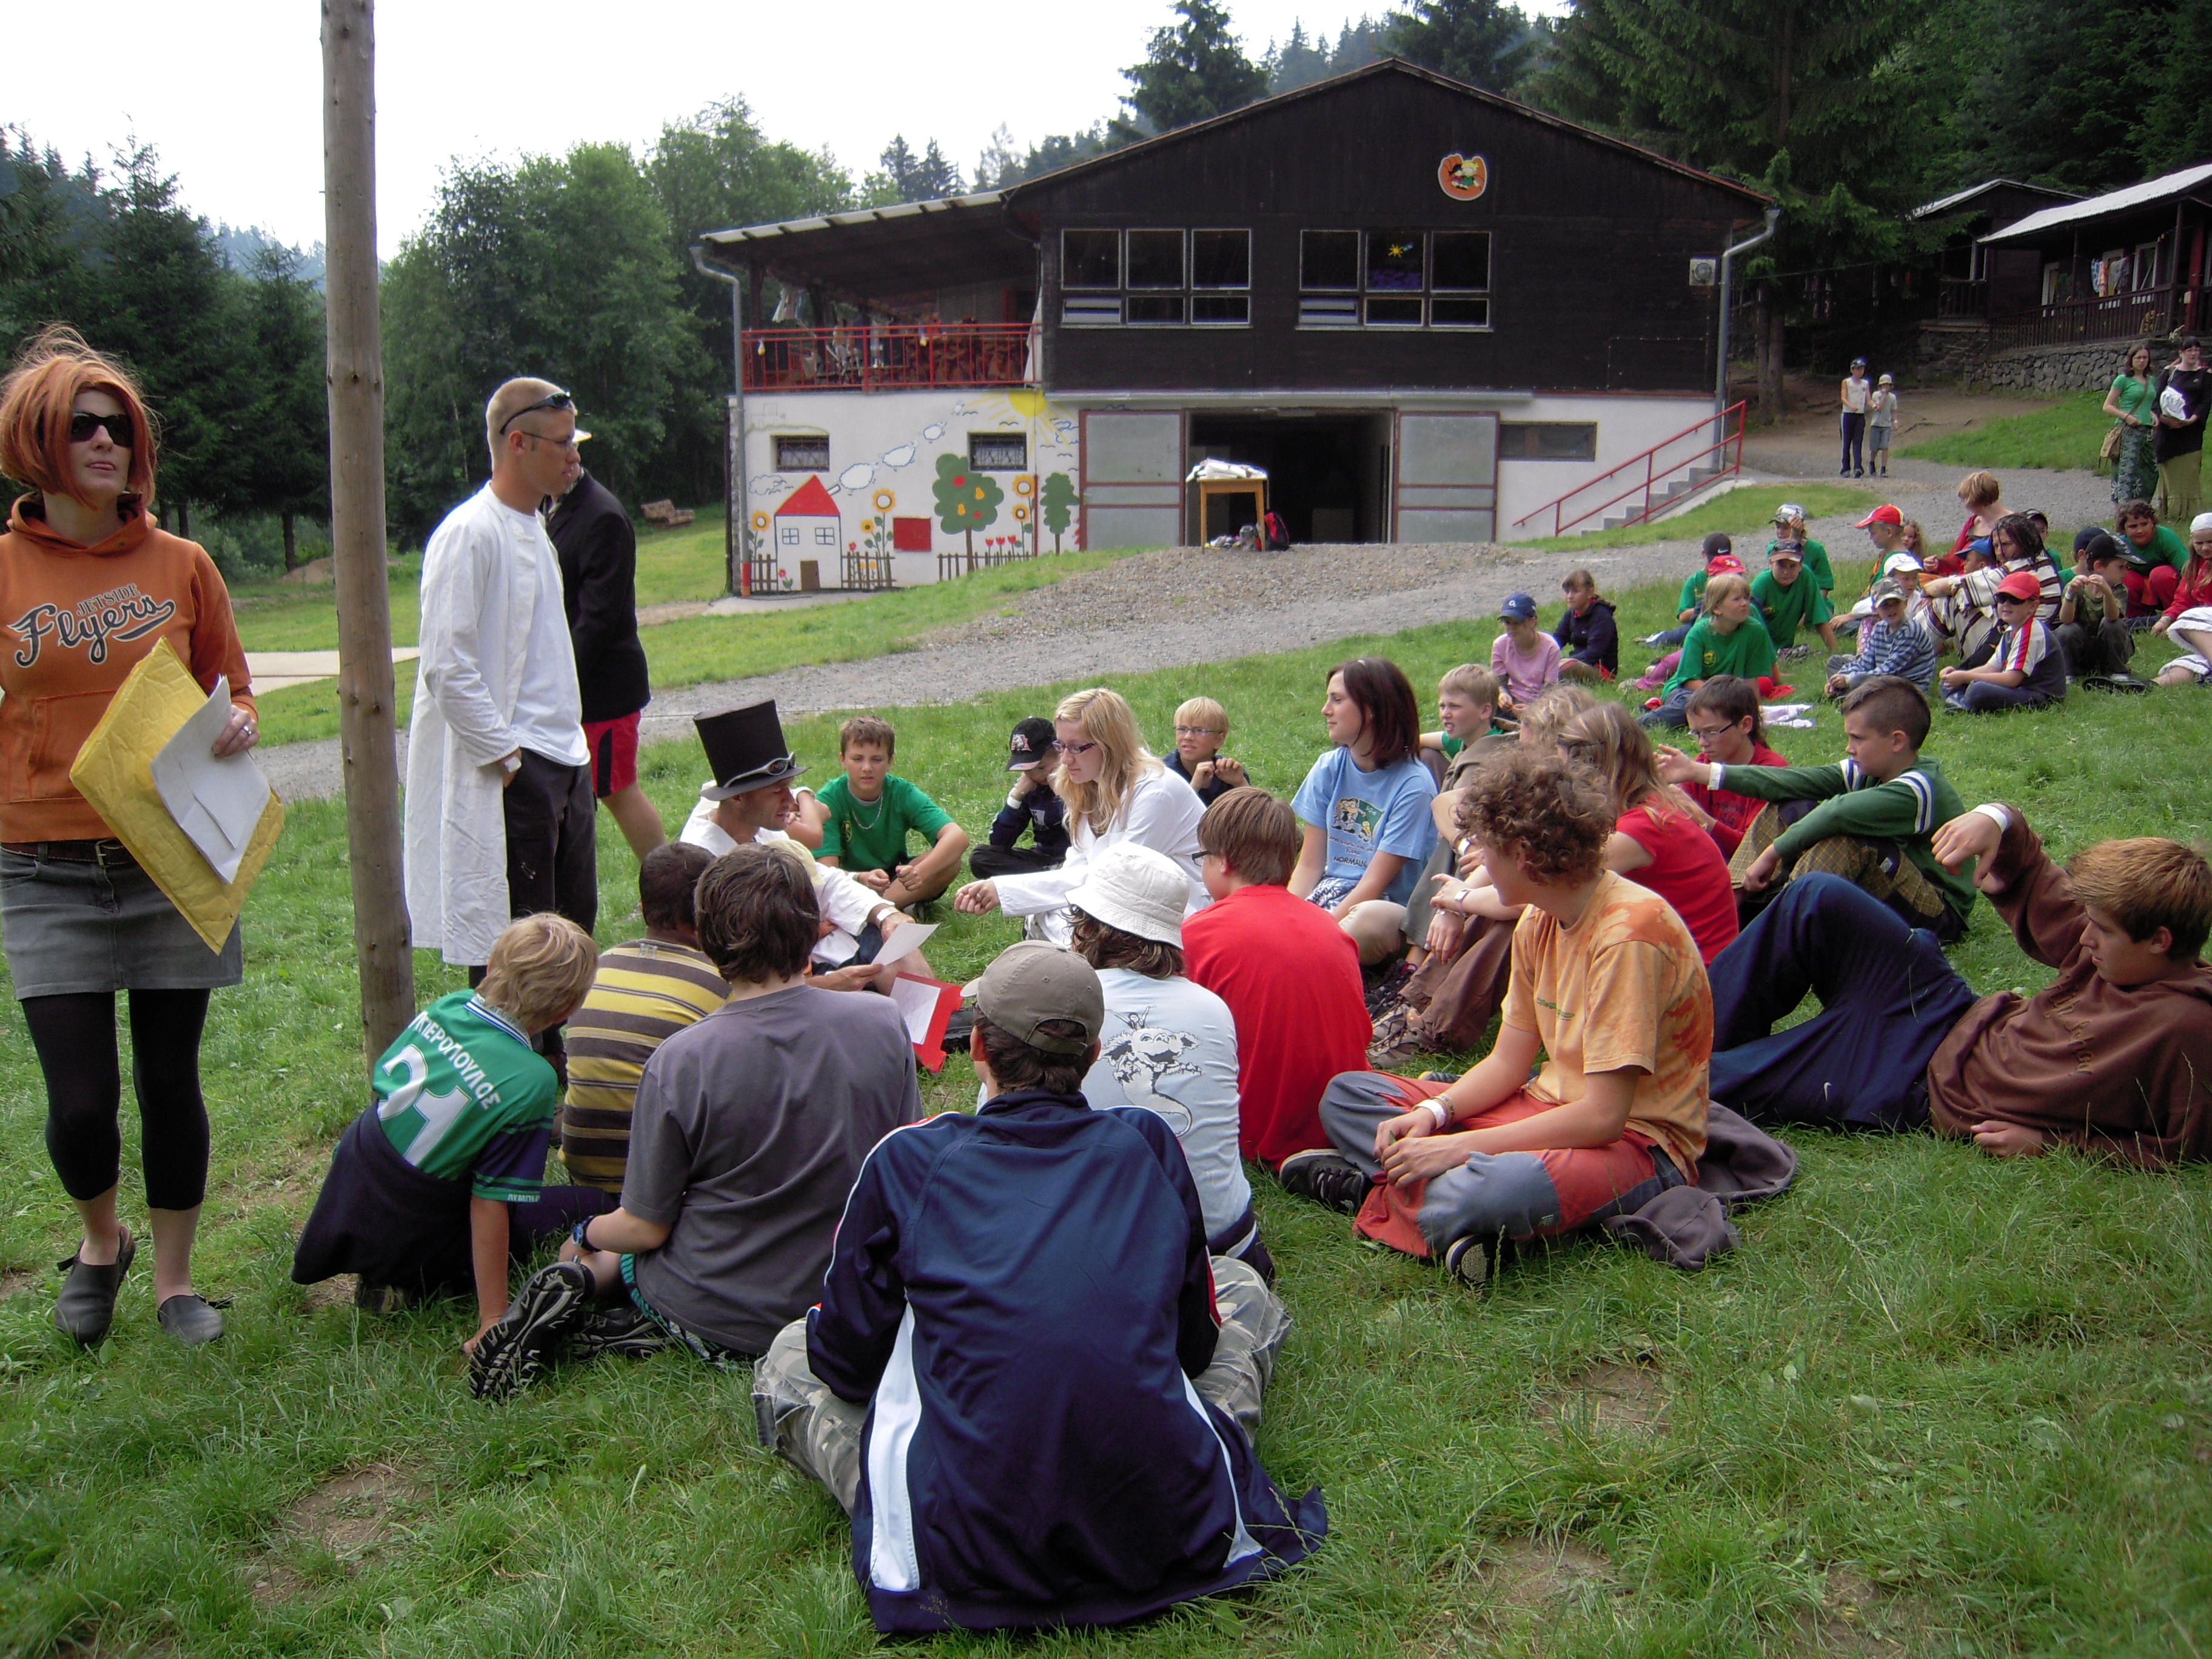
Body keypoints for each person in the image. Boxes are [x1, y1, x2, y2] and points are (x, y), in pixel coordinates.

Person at [750, 939, 1327, 1634]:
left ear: (978, 1047)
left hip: (959, 1556)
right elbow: (1195, 1349)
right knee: (1238, 1285)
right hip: (1166, 1529)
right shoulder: (1147, 1143)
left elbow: (842, 1360)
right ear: (1095, 1054)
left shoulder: (906, 1159)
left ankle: (913, 1498)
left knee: (790, 1355)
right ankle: (1180, 1457)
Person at [0, 326, 260, 1347]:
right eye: (82, 425)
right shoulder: (6, 570)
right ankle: (99, 1242)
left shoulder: (182, 564)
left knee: (169, 1082)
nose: (106, 440)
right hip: (43, 867)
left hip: (169, 855)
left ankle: (175, 1281)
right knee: (80, 1103)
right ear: (37, 442)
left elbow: (232, 684)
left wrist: (238, 721)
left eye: (118, 425)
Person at [469, 844, 923, 1399]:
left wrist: (584, 1233)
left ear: (707, 939)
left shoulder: (681, 1060)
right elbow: (904, 1164)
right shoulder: (883, 1022)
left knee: (605, 1247)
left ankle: (594, 1286)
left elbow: (645, 1227)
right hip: (846, 1301)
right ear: (813, 931)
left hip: (713, 1310)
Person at [1284, 750, 1712, 1289]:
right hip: (1541, 1105)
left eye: (1488, 848)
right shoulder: (1539, 917)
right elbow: (1509, 1063)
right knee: (1347, 1094)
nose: (1477, 861)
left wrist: (1457, 1146)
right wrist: (1436, 1113)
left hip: (1636, 1143)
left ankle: (1371, 1190)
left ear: (1525, 856)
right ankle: (1445, 1211)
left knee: (1487, 1189)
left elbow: (1604, 1118)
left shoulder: (1629, 936)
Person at [1706, 806, 2212, 1162]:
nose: (2086, 937)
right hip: (1944, 1006)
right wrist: (1995, 818)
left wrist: (2047, 1144)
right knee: (1817, 895)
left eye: (2102, 930)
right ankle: (1692, 1033)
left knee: (1704, 1083)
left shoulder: (2187, 1027)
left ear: (2159, 941)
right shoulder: (2111, 953)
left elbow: (2180, 1148)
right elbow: (2033, 869)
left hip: (1920, 1079)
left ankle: (1682, 1066)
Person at [292, 914, 610, 1341]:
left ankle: (390, 1272)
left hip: (350, 1192)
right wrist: (493, 1318)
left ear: (492, 965)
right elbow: (491, 1202)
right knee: (592, 1202)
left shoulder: (449, 1006)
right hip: (414, 1226)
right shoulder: (532, 1080)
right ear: (568, 1011)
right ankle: (412, 1279)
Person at [405, 378, 596, 1078]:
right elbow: (447, 664)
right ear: (518, 442)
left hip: (562, 756)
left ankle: (552, 1064)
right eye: (563, 443)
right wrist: (506, 755)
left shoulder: (536, 529)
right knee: (516, 936)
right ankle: (501, 1073)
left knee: (568, 924)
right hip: (518, 764)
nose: (574, 456)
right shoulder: (469, 533)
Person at [1068, 844, 1271, 1277]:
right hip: (1228, 1243)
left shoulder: (1064, 1005)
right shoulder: (1212, 1008)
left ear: (1086, 926)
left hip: (1114, 1260)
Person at [1657, 676, 1976, 941]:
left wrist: (1772, 854)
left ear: (1897, 741)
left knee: (1847, 839)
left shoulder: (1918, 788)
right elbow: (1792, 782)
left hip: (1938, 912)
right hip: (1891, 893)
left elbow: (1838, 812)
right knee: (1790, 803)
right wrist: (1698, 771)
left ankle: (1778, 934)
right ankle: (1728, 910)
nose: (1849, 748)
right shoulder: (1872, 769)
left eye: (1857, 738)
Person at [1183, 788, 1372, 1166]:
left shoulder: (1198, 934)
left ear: (1224, 862)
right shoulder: (1329, 926)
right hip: (1350, 1111)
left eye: (1202, 858)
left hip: (1259, 1130)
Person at [677, 702, 919, 982]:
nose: (791, 801)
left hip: (820, 950)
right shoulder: (702, 863)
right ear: (738, 798)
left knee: (898, 939)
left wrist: (884, 913)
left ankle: (937, 1010)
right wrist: (821, 978)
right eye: (777, 791)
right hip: (786, 980)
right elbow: (735, 974)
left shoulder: (761, 826)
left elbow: (822, 879)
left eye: (789, 788)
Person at [956, 686, 1206, 946]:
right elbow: (1078, 866)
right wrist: (1003, 889)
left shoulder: (1155, 791)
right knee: (1047, 912)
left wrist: (1011, 890)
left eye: (1076, 748)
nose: (1065, 759)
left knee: (1069, 922)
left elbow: (1120, 881)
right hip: (1125, 897)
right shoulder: (1088, 784)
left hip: (1177, 907)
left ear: (1110, 745)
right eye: (1061, 746)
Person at [558, 842, 726, 1195]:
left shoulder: (596, 968)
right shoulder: (721, 984)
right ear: (711, 909)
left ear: (643, 907)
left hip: (585, 1173)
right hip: (663, 1187)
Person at [1557, 703, 1738, 964]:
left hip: (1697, 976)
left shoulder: (1640, 830)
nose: (1565, 786)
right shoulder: (1653, 805)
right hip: (1689, 962)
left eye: (1566, 774)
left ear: (1591, 770)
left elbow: (1550, 892)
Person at [547, 458, 663, 860]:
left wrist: (561, 680)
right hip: (576, 686)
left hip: (604, 689)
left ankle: (669, 883)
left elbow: (598, 618)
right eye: (561, 448)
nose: (569, 457)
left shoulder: (603, 516)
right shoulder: (550, 506)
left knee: (618, 790)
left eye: (572, 448)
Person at [1289, 657, 1439, 964]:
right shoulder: (1329, 767)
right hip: (1331, 892)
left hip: (1385, 908)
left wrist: (1315, 933)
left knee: (1364, 922)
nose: (1325, 710)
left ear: (1370, 710)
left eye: (1337, 700)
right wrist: (1288, 919)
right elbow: (1309, 866)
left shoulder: (1414, 785)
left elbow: (1374, 884)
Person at [816, 716, 970, 910]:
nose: (867, 768)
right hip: (850, 881)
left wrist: (920, 872)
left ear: (890, 762)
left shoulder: (901, 792)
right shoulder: (828, 800)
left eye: (877, 760)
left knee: (950, 861)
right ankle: (887, 908)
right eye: (857, 759)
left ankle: (881, 907)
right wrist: (861, 877)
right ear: (843, 761)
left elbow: (957, 837)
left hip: (893, 878)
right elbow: (828, 871)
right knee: (826, 883)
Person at [1662, 677, 1789, 859]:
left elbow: (1752, 850)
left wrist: (1698, 816)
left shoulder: (1771, 772)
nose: (1702, 742)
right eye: (1697, 733)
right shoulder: (1702, 764)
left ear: (1745, 725)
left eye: (1711, 732)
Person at [1643, 573, 1775, 729]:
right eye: (1736, 599)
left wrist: (1754, 713)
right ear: (1717, 608)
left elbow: (1752, 680)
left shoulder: (1755, 630)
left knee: (1730, 715)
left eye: (1746, 598)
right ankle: (1638, 725)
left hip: (1726, 695)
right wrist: (1719, 699)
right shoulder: (1699, 632)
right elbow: (1689, 680)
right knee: (1691, 709)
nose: (1744, 604)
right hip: (1688, 690)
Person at [1940, 571, 2066, 714]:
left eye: (2015, 600)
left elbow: (2012, 679)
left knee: (1977, 689)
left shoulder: (2031, 633)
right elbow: (1992, 668)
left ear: (2032, 607)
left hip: (2038, 695)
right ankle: (1961, 703)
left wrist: (1965, 677)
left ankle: (1960, 702)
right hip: (2018, 688)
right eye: (2001, 598)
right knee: (1948, 681)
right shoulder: (2011, 630)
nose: (2006, 604)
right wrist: (1959, 675)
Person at [969, 716, 1070, 879]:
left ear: (1060, 754)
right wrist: (1016, 796)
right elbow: (999, 842)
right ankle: (1050, 876)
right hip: (1044, 859)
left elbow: (1082, 836)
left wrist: (1061, 794)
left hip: (1078, 858)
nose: (1035, 776)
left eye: (1041, 767)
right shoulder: (1030, 787)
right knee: (980, 857)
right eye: (1027, 770)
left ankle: (1048, 878)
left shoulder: (1077, 780)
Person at [2053, 536, 2147, 689]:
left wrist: (2108, 593)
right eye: (2121, 567)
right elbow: (2066, 620)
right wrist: (2070, 595)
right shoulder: (2077, 587)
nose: (2125, 572)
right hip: (2083, 649)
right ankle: (2069, 671)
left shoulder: (2119, 589)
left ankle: (2116, 671)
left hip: (2110, 649)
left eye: (2127, 567)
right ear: (2099, 566)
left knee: (2113, 625)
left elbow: (2113, 616)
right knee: (2067, 630)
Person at [1826, 578, 1937, 696]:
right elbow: (1865, 662)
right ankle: (1844, 691)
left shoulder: (1910, 631)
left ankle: (1850, 694)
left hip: (1905, 688)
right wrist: (1840, 677)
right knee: (1836, 662)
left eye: (1896, 603)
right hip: (1881, 679)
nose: (1892, 609)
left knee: (1861, 680)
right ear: (1875, 609)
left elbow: (1890, 670)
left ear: (1905, 603)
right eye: (1885, 605)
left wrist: (1849, 680)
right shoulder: (1879, 628)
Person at [1643, 535, 1741, 648]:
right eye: (1715, 561)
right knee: (1683, 635)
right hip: (1700, 621)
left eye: (1724, 560)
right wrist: (1708, 606)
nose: (1719, 565)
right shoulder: (1694, 582)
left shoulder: (1735, 576)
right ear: (1703, 554)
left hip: (1728, 620)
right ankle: (1658, 638)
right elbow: (1682, 616)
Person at [2155, 333, 2211, 526]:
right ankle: (2169, 511)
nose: (2193, 354)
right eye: (2189, 350)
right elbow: (2156, 400)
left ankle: (2189, 512)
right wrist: (2165, 419)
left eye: (2197, 350)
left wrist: (2192, 420)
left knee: (2189, 472)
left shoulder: (2205, 375)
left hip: (2190, 432)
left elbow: (2206, 402)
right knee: (2170, 474)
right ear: (2181, 353)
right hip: (2168, 432)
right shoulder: (2170, 373)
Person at [2151, 511, 2212, 687]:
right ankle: (2147, 686)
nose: (2205, 548)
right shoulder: (2194, 566)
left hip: (2206, 621)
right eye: (2200, 543)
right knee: (2189, 664)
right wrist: (2166, 619)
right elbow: (2183, 600)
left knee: (2187, 619)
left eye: (2211, 542)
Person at [1751, 539, 1837, 659]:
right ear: (1771, 563)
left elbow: (1819, 617)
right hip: (1759, 649)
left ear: (1801, 565)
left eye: (1792, 566)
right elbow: (1749, 625)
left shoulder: (1805, 577)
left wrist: (1835, 651)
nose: (1786, 572)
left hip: (1784, 648)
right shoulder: (1761, 584)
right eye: (1781, 565)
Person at [1164, 695, 1250, 805]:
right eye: (1182, 729)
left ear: (1218, 740)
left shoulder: (1227, 773)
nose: (1188, 737)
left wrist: (1240, 783)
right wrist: (1194, 787)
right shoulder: (1164, 774)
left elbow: (1256, 813)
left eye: (1199, 731)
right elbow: (1165, 814)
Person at [2113, 497, 2190, 617]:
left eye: (2145, 524)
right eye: (2133, 526)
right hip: (2141, 591)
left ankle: (2176, 614)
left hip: (2169, 590)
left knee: (2160, 575)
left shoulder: (2166, 537)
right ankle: (2139, 617)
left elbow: (2188, 571)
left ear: (2153, 523)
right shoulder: (2119, 545)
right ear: (2124, 530)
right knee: (2124, 577)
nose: (2140, 530)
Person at [2106, 343, 2160, 508]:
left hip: (2146, 431)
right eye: (2138, 358)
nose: (2142, 361)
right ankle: (2123, 510)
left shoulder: (2150, 380)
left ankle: (2141, 506)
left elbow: (2146, 403)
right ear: (2131, 360)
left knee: (2150, 470)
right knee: (2126, 472)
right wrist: (2127, 417)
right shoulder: (2123, 380)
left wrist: (2152, 415)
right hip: (2129, 430)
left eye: (2145, 358)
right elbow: (2107, 406)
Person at [1490, 592, 1562, 714]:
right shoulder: (1500, 645)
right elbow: (1499, 682)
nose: (1511, 627)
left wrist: (1533, 709)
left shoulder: (1550, 647)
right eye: (1507, 623)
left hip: (1541, 702)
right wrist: (1502, 695)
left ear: (1533, 621)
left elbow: (1550, 689)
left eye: (1517, 622)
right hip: (1512, 699)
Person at [1772, 503, 1837, 625]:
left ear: (1800, 528)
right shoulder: (1774, 548)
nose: (1780, 532)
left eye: (1786, 528)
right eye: (1778, 527)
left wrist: (1806, 613)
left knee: (1825, 615)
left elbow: (1823, 587)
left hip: (1812, 601)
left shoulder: (1816, 549)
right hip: (1784, 600)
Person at [1553, 568, 1618, 682]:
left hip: (1601, 671)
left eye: (1575, 592)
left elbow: (1593, 654)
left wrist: (1565, 661)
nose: (1570, 596)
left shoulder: (1602, 616)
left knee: (1563, 668)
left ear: (1590, 593)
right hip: (1576, 662)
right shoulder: (1571, 614)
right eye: (1567, 592)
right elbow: (1557, 640)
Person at [1939, 471, 2006, 576]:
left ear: (1974, 500)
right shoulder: (1974, 522)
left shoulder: (2011, 524)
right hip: (1963, 576)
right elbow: (1953, 559)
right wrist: (1937, 564)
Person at [1840, 357, 1871, 477]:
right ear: (1852, 370)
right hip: (1848, 415)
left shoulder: (1865, 384)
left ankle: (1858, 467)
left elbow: (1868, 399)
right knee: (1847, 441)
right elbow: (1843, 397)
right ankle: (1846, 467)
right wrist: (1850, 406)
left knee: (1858, 441)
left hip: (1859, 415)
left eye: (1862, 369)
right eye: (1858, 369)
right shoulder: (1847, 382)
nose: (1860, 371)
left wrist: (1874, 405)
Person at [1867, 372, 1897, 477]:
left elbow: (1893, 410)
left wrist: (1895, 421)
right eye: (1884, 385)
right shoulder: (1876, 395)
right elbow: (1878, 407)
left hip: (1886, 425)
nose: (1886, 387)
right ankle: (1872, 463)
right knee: (1874, 448)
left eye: (1888, 385)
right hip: (1876, 424)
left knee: (1885, 447)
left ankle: (1883, 469)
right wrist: (1883, 396)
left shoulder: (1893, 398)